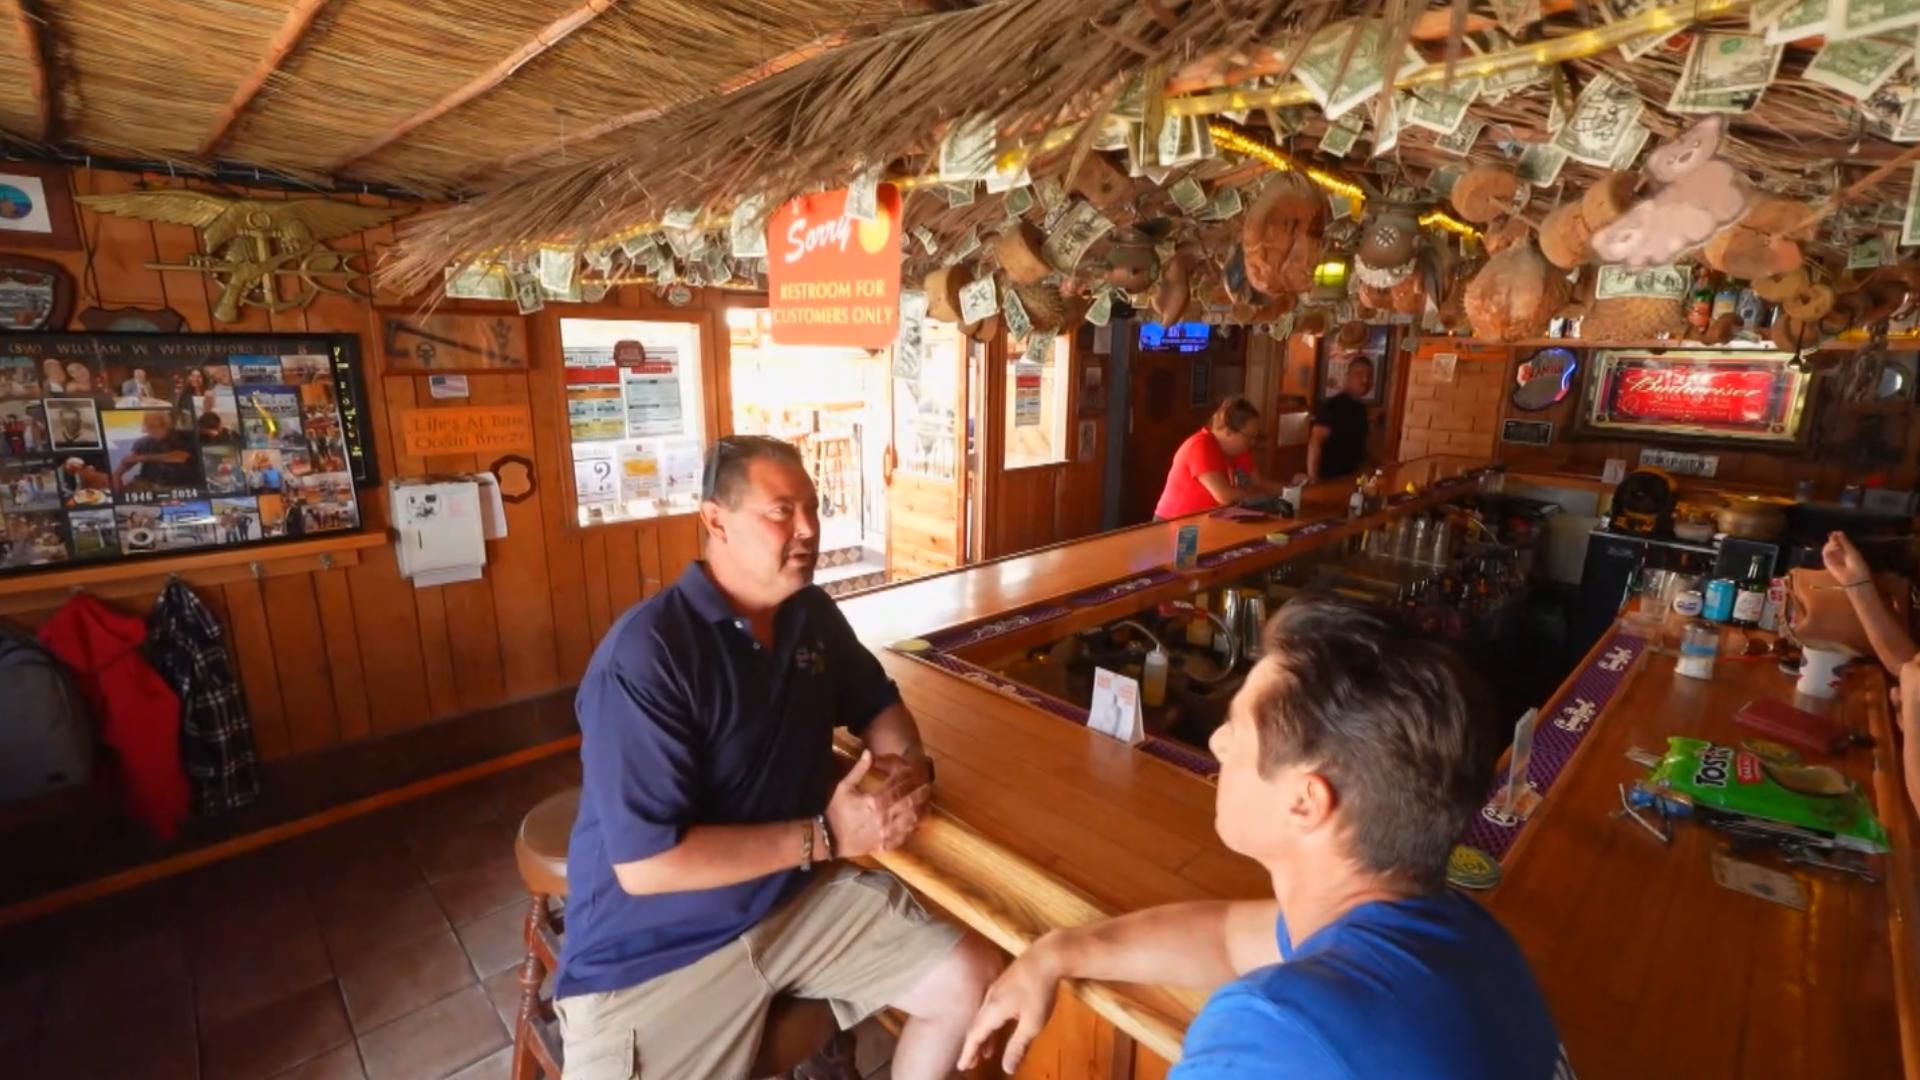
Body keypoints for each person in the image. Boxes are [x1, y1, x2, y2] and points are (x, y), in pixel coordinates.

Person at [961, 597, 1568, 1079]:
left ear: (1305, 802)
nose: (1219, 744)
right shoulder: (1467, 933)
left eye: (1236, 728)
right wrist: (1058, 951)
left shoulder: (1281, 1032)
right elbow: (1228, 936)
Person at [557, 434, 1000, 1080]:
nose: (809, 529)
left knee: (973, 981)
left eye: (813, 508)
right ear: (716, 520)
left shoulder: (810, 615)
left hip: (791, 905)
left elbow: (876, 701)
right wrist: (825, 835)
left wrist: (904, 764)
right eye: (781, 510)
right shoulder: (650, 655)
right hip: (651, 954)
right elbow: (646, 866)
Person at [1153, 396, 1281, 520]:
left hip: (1206, 521)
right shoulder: (1201, 445)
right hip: (1172, 524)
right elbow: (1225, 495)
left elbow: (1258, 482)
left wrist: (1292, 491)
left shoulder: (1239, 449)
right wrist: (1263, 497)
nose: (1252, 442)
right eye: (1249, 436)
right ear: (1228, 431)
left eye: (1255, 436)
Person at [1307, 355, 1373, 482]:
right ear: (1347, 377)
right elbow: (1315, 443)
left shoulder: (1361, 409)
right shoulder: (1333, 406)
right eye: (1360, 374)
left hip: (1351, 478)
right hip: (1327, 479)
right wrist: (1313, 479)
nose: (1365, 380)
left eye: (1370, 376)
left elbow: (1358, 449)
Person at [114, 410, 198, 492]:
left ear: (165, 425)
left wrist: (142, 458)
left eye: (154, 426)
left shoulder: (183, 438)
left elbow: (180, 457)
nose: (151, 430)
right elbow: (130, 459)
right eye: (149, 426)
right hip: (148, 483)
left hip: (179, 485)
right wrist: (117, 475)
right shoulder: (143, 442)